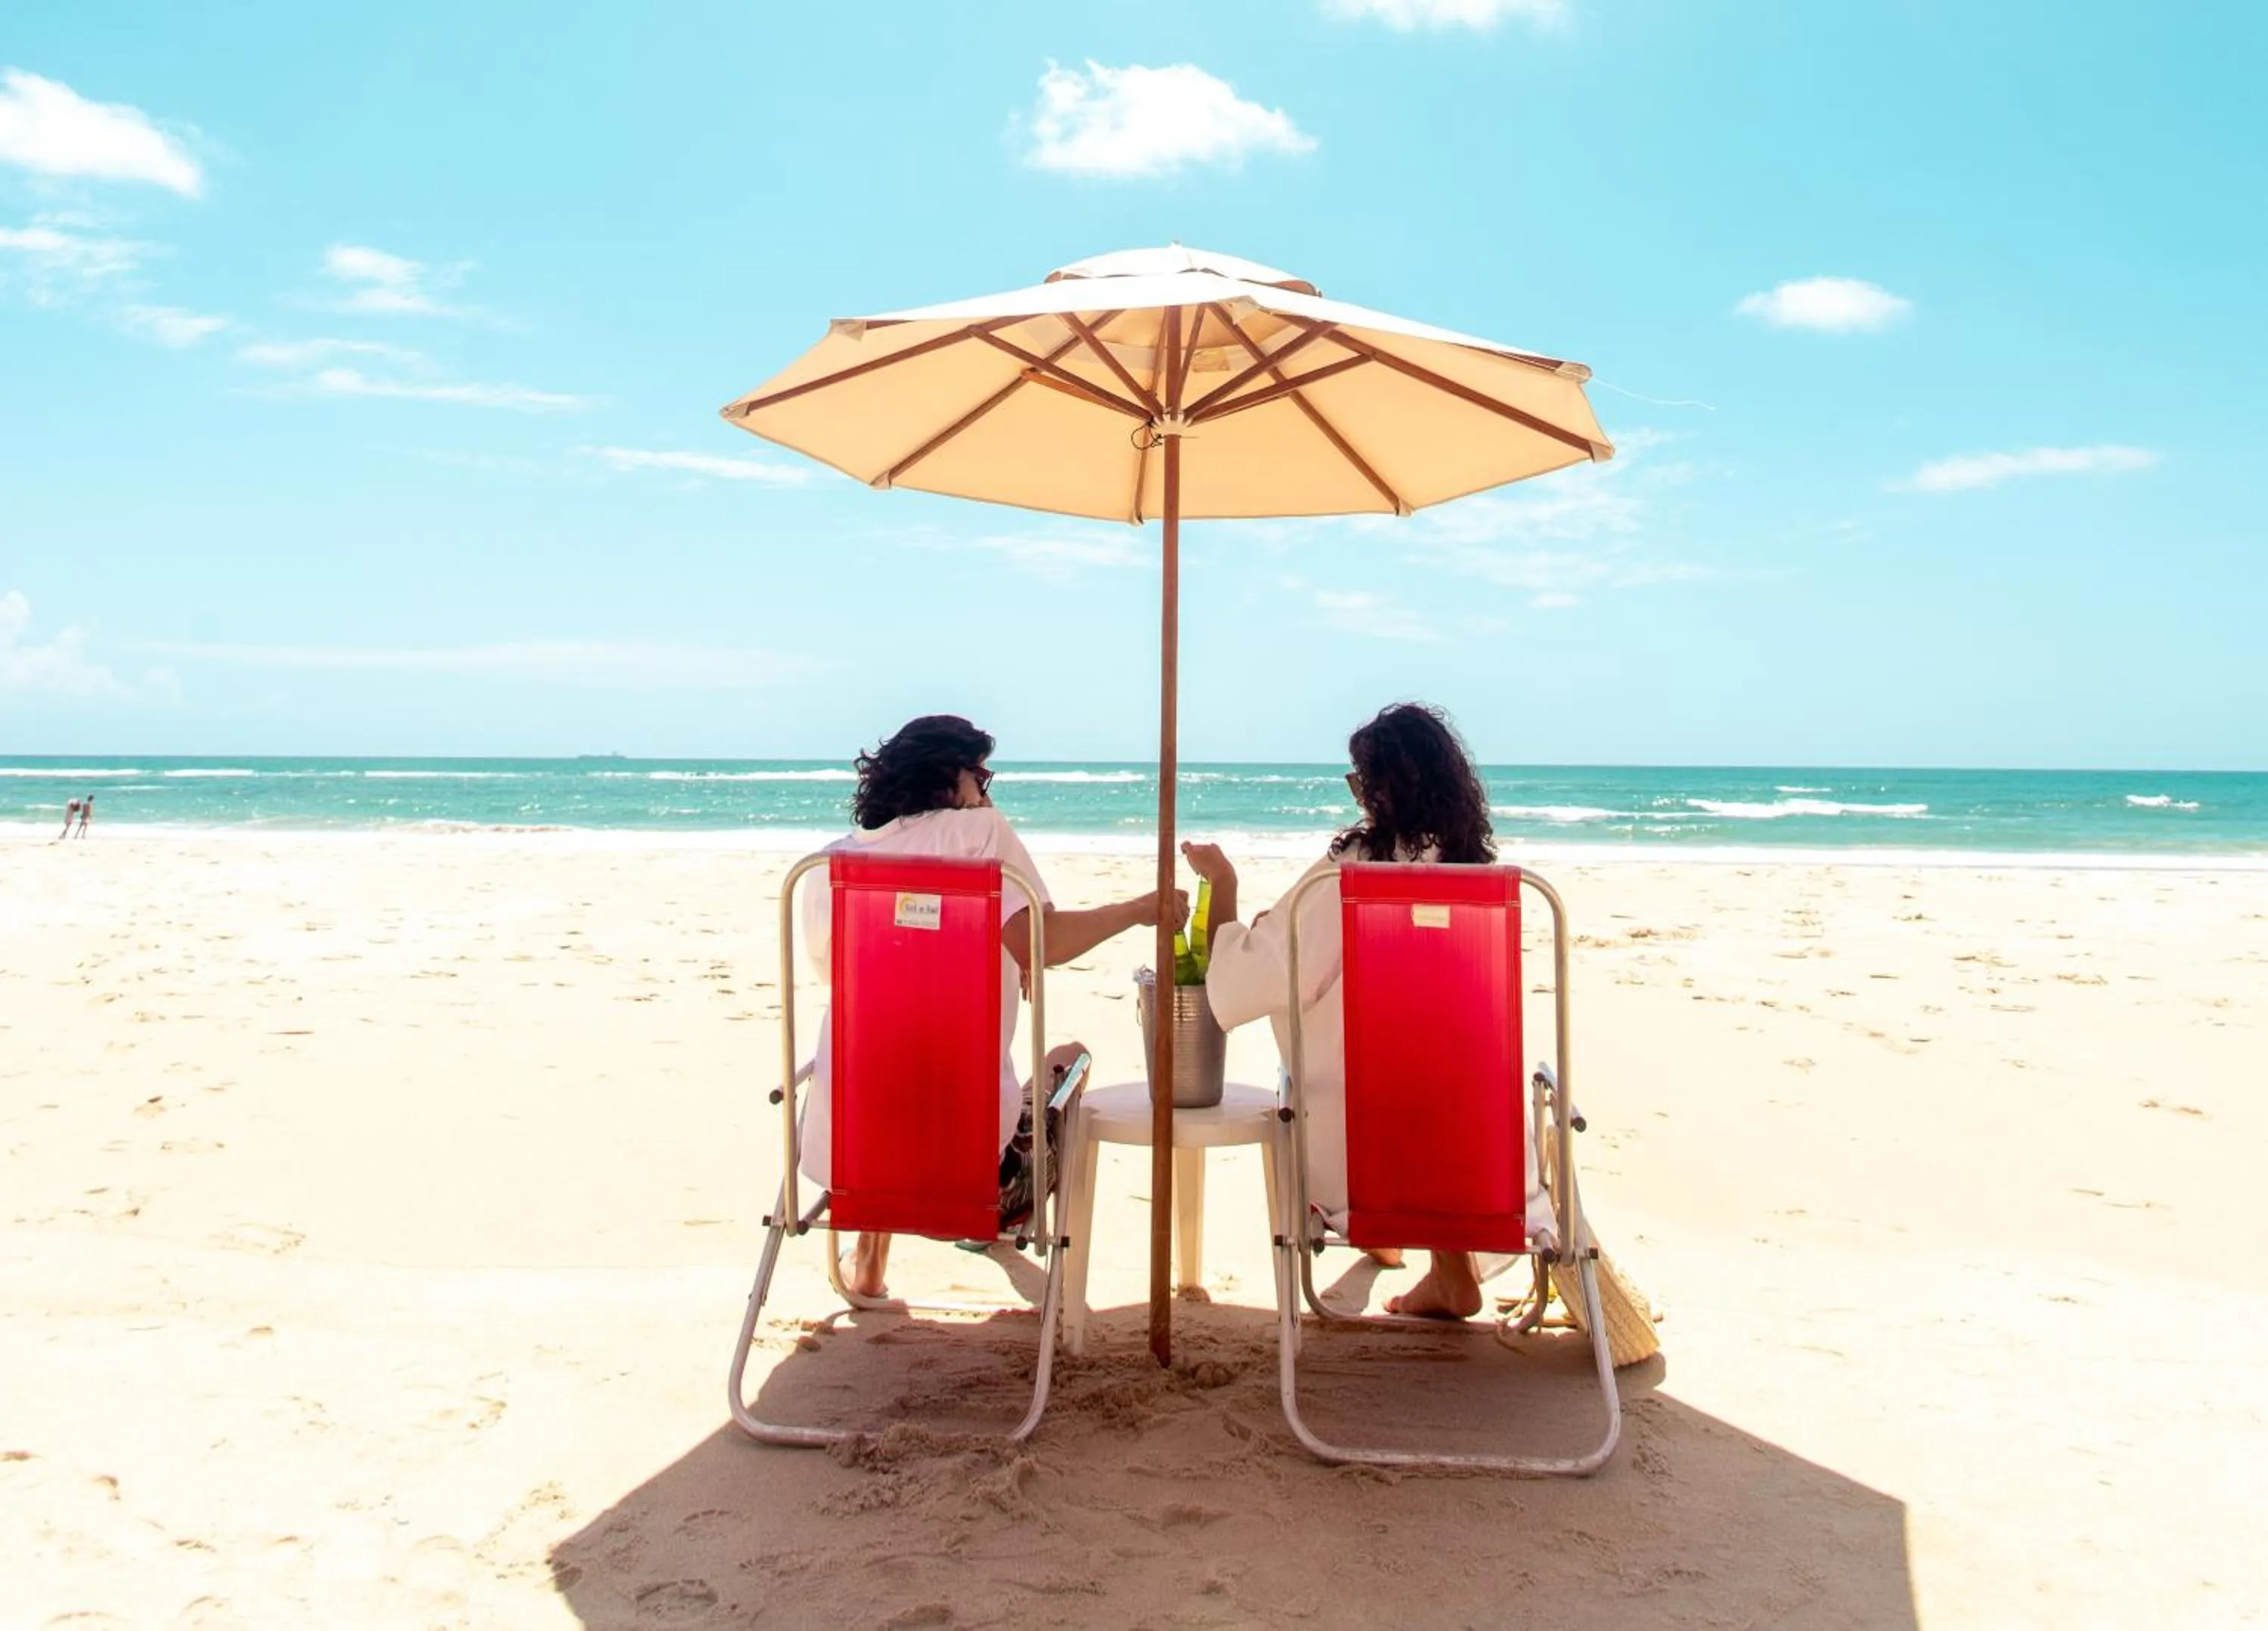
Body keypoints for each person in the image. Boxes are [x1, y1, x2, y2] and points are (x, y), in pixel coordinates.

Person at [1183, 701, 1555, 1320]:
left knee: (1349, 1063)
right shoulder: (1479, 880)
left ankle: (1389, 1227)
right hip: (1483, 1168)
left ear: (1380, 792)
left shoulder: (1353, 875)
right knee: (1434, 1063)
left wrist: (1223, 885)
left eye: (1360, 782)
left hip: (1359, 1165)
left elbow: (1250, 980)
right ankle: (1450, 1266)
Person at [799, 714, 1186, 1299]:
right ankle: (998, 1234)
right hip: (972, 1178)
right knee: (1069, 1060)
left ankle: (870, 1262)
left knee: (892, 1066)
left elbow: (843, 973)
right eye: (981, 774)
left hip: (851, 1160)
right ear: (953, 780)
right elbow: (1045, 941)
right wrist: (1141, 908)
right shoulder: (979, 834)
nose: (987, 789)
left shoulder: (835, 864)